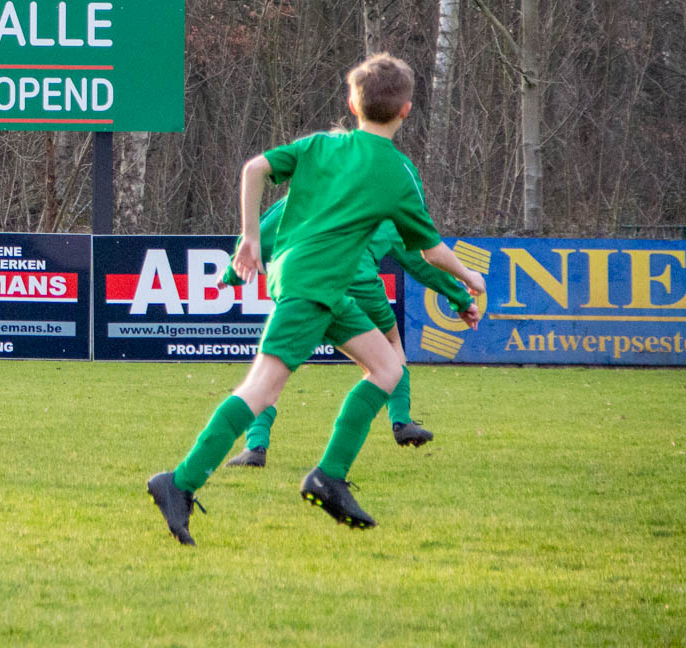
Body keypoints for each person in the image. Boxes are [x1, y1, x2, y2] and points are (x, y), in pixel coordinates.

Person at [146, 54, 484, 544]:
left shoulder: (321, 145)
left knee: (388, 368)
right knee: (260, 389)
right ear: (407, 110)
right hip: (312, 289)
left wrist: (250, 237)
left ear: (352, 103)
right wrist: (468, 275)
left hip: (317, 286)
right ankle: (179, 482)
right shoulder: (397, 171)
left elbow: (254, 168)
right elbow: (428, 250)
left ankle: (329, 478)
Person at [221, 202, 476, 467]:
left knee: (271, 372)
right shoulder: (378, 205)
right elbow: (419, 260)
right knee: (391, 346)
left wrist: (230, 275)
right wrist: (459, 297)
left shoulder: (300, 197)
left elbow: (257, 241)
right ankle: (401, 421)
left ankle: (255, 446)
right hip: (361, 286)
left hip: (308, 288)